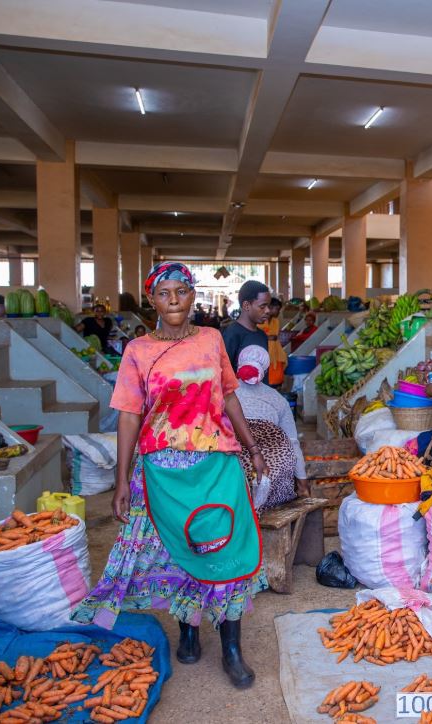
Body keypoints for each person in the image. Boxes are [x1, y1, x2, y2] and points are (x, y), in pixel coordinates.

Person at [72, 261, 268, 690]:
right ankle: (189, 631)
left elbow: (229, 396)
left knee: (225, 549)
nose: (174, 300)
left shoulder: (212, 339)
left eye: (181, 291)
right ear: (152, 300)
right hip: (163, 471)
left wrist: (252, 447)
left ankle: (232, 650)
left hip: (216, 465)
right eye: (164, 293)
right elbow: (129, 416)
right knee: (176, 551)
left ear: (193, 295)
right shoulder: (138, 351)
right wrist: (121, 480)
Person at [234, 345, 308, 503]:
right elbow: (292, 443)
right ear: (266, 371)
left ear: (238, 364)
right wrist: (302, 483)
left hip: (235, 475)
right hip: (272, 474)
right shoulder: (278, 399)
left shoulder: (223, 395)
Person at [223, 281, 271, 374]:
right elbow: (223, 373)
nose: (268, 310)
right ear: (246, 305)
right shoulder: (231, 334)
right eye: (262, 306)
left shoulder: (262, 335)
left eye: (268, 306)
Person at [256, 297, 287, 387]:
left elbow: (275, 336)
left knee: (276, 380)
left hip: (275, 352)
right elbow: (255, 335)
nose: (278, 312)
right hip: (263, 352)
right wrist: (268, 337)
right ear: (270, 308)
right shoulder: (260, 320)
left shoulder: (276, 321)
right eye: (277, 309)